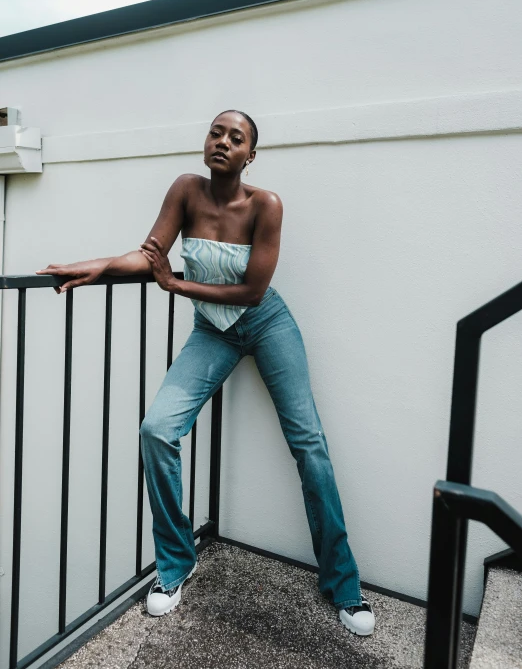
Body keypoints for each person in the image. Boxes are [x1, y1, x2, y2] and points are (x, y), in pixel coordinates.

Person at [36, 110, 375, 636]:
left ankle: (344, 584)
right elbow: (152, 256)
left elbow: (251, 292)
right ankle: (176, 562)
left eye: (236, 138)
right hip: (212, 332)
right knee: (156, 430)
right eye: (216, 132)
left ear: (250, 156)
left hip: (265, 324)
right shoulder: (186, 190)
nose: (222, 141)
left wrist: (177, 287)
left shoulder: (267, 205)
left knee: (309, 444)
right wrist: (97, 265)